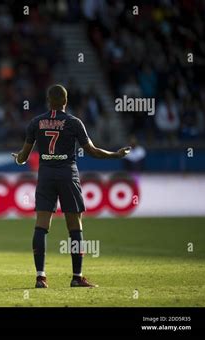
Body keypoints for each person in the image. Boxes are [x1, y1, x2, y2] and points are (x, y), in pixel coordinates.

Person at [12, 84, 131, 288]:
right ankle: (77, 277)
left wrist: (18, 158)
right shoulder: (74, 122)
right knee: (75, 226)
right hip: (68, 175)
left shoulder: (36, 122)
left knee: (41, 225)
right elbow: (92, 151)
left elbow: (23, 157)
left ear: (48, 101)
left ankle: (41, 278)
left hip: (46, 175)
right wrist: (116, 154)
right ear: (66, 102)